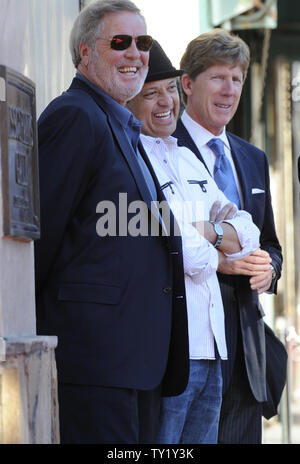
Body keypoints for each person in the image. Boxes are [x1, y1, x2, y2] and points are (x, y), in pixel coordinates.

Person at [34, 0, 190, 444]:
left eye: (143, 43)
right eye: (120, 42)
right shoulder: (75, 116)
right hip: (95, 366)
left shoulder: (120, 124)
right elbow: (38, 240)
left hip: (137, 366)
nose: (136, 53)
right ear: (85, 52)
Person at [127, 40, 260, 444]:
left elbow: (248, 231)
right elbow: (185, 253)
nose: (166, 101)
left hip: (214, 346)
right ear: (129, 101)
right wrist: (212, 244)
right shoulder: (132, 156)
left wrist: (210, 231)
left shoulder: (186, 158)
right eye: (152, 93)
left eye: (169, 89)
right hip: (171, 350)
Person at [173, 28, 283, 444]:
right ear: (187, 83)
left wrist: (266, 269)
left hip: (245, 351)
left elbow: (270, 243)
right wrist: (223, 239)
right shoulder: (159, 146)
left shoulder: (253, 159)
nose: (230, 89)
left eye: (237, 79)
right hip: (187, 346)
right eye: (218, 77)